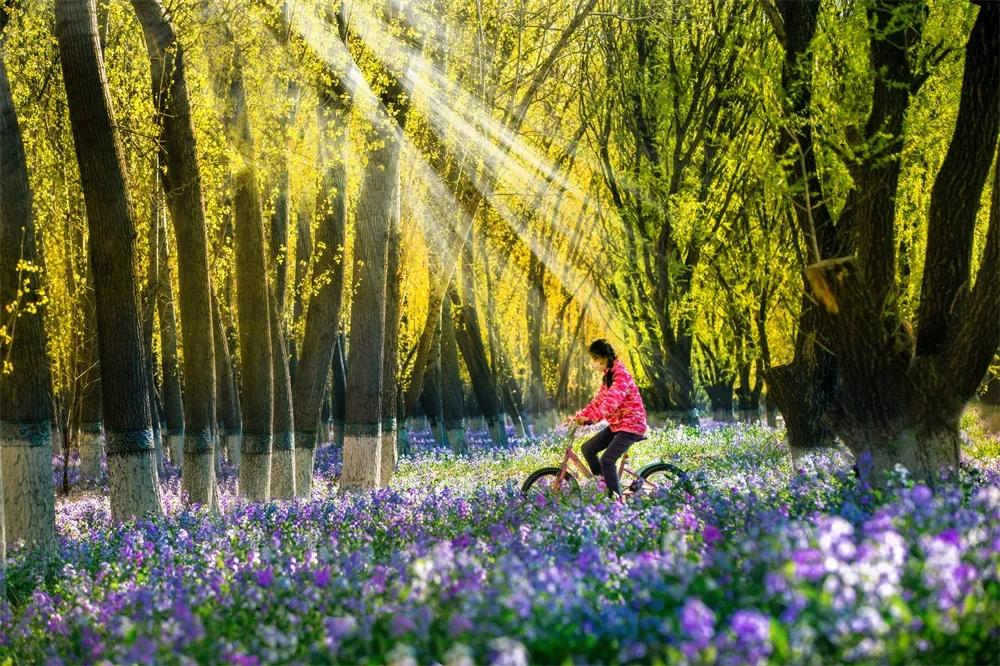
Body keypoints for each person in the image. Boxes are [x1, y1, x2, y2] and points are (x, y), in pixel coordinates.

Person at [568, 339, 648, 499]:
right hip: (618, 424)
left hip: (632, 425)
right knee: (588, 449)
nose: (594, 362)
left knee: (607, 460)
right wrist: (580, 416)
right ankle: (605, 485)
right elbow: (598, 401)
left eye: (596, 358)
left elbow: (611, 402)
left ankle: (615, 500)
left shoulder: (620, 375)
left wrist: (592, 419)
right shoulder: (608, 375)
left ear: (604, 356)